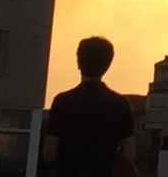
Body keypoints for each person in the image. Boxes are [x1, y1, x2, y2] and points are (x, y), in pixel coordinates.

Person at [43, 37, 136, 177]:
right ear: (107, 65)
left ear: (79, 62)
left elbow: (49, 153)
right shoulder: (120, 105)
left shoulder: (62, 102)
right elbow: (129, 155)